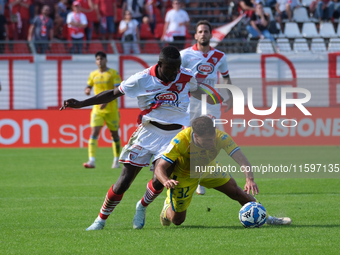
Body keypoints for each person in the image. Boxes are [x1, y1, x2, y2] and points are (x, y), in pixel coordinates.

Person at [60, 46, 216, 231]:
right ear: (160, 64)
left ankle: (141, 206)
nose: (175, 73)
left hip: (174, 136)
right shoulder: (141, 79)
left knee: (160, 178)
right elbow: (113, 93)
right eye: (171, 69)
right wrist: (81, 103)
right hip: (148, 132)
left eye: (177, 68)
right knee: (124, 180)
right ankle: (100, 220)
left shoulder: (186, 75)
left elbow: (198, 91)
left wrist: (209, 110)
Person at [156, 116, 292, 226]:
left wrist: (249, 179)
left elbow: (242, 159)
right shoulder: (180, 141)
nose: (212, 143)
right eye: (208, 140)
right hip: (184, 175)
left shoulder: (221, 137)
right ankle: (166, 209)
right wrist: (166, 180)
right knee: (177, 220)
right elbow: (160, 167)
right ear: (196, 136)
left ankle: (268, 218)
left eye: (213, 138)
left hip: (209, 168)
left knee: (237, 192)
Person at [180, 20, 233, 195]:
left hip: (212, 102)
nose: (203, 34)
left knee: (210, 137)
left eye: (206, 31)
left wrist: (230, 95)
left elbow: (226, 77)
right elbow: (177, 77)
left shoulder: (220, 56)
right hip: (192, 101)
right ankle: (191, 173)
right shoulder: (185, 55)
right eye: (200, 31)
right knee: (190, 138)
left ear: (211, 35)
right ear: (195, 35)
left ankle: (201, 174)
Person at [83, 51, 122, 169]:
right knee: (94, 133)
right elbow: (88, 85)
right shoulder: (93, 74)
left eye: (102, 59)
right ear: (96, 61)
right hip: (97, 109)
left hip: (111, 109)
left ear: (106, 60)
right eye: (98, 59)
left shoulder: (113, 73)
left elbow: (117, 91)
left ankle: (116, 160)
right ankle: (91, 161)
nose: (100, 61)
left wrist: (106, 101)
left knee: (114, 134)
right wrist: (87, 90)